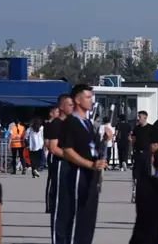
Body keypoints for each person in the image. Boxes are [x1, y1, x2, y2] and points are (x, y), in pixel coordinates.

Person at [54, 84, 106, 244]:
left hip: (91, 175)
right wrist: (89, 164)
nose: (91, 101)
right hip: (77, 173)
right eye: (88, 97)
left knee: (88, 218)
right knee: (75, 215)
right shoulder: (71, 122)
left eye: (92, 97)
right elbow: (68, 150)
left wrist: (105, 143)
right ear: (77, 100)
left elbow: (92, 149)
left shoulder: (88, 123)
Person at [45, 95, 73, 218]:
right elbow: (52, 146)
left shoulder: (71, 124)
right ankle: (51, 205)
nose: (73, 108)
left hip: (70, 163)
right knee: (54, 183)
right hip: (59, 160)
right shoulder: (55, 124)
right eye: (70, 105)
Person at [131, 111, 153, 180]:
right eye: (138, 117)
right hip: (137, 153)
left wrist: (153, 155)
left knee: (147, 173)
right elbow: (133, 140)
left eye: (140, 117)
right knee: (136, 173)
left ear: (145, 117)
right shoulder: (136, 128)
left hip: (147, 153)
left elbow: (154, 142)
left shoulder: (151, 128)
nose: (138, 119)